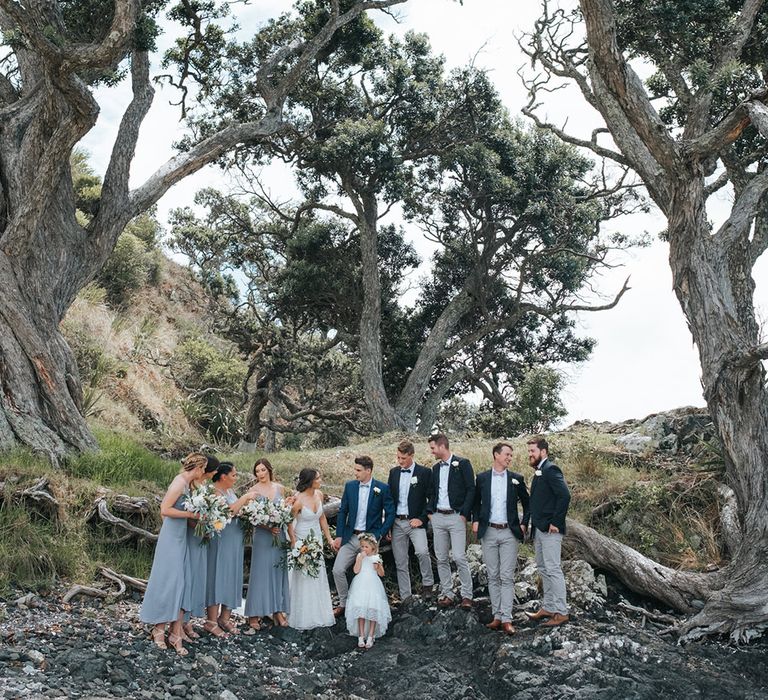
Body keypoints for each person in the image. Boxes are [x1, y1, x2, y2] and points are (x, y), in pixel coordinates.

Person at [140, 452, 209, 656]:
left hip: (182, 537)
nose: (204, 472)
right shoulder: (179, 483)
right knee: (169, 581)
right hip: (171, 538)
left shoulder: (189, 486)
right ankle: (158, 628)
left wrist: (201, 520)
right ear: (196, 468)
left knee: (180, 582)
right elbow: (165, 510)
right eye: (203, 469)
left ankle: (172, 629)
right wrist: (190, 514)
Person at [472, 442, 530, 635]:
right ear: (496, 455)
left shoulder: (516, 479)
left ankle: (507, 619)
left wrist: (524, 523)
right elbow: (475, 501)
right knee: (492, 575)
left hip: (508, 532)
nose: (509, 458)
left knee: (506, 576)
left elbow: (528, 504)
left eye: (511, 456)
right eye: (507, 454)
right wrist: (475, 520)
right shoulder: (482, 478)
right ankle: (496, 616)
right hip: (488, 531)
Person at [332, 456, 395, 617]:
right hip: (350, 536)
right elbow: (343, 511)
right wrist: (339, 535)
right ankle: (344, 603)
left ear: (368, 471)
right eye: (355, 470)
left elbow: (390, 513)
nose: (355, 473)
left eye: (358, 470)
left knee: (368, 574)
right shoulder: (350, 486)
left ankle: (369, 606)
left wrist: (379, 534)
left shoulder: (382, 488)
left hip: (370, 539)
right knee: (337, 570)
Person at [525, 437, 571, 627]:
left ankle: (561, 612)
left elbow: (565, 495)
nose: (530, 455)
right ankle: (549, 607)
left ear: (543, 452)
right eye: (529, 451)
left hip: (551, 530)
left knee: (553, 569)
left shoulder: (551, 469)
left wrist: (556, 522)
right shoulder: (539, 471)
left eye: (532, 451)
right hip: (539, 529)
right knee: (543, 569)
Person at [427, 433, 475, 609]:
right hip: (438, 517)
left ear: (441, 446)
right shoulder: (435, 468)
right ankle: (447, 593)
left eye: (433, 448)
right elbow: (432, 492)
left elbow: (471, 489)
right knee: (441, 557)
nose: (432, 452)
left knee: (460, 557)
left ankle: (467, 595)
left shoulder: (462, 464)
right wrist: (430, 513)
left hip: (456, 516)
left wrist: (464, 514)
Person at [243, 458, 290, 631]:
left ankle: (277, 610)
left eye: (263, 470)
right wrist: (267, 527)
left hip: (279, 535)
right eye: (257, 471)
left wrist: (283, 515)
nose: (260, 474)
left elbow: (284, 510)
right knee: (260, 572)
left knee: (278, 572)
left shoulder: (280, 488)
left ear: (269, 470)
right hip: (263, 535)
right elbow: (251, 516)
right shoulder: (253, 491)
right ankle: (254, 614)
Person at [287, 468, 336, 630]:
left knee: (317, 575)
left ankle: (319, 612)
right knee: (303, 577)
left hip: (316, 541)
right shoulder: (298, 500)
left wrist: (329, 539)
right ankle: (302, 616)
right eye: (318, 478)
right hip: (302, 541)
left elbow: (321, 517)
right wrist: (295, 542)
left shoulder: (319, 495)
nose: (320, 480)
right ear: (309, 481)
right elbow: (289, 522)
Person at [205, 462, 250, 636]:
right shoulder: (214, 492)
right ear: (223, 476)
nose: (235, 478)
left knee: (232, 575)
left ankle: (225, 618)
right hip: (221, 541)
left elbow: (236, 510)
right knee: (219, 575)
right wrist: (245, 498)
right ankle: (211, 620)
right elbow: (227, 512)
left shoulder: (230, 491)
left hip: (234, 540)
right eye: (234, 475)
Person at [387, 439, 434, 601]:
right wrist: (388, 525)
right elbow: (389, 501)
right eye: (398, 458)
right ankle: (406, 596)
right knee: (400, 561)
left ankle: (428, 585)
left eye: (403, 458)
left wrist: (421, 519)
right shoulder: (393, 473)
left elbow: (431, 498)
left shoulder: (425, 473)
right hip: (397, 523)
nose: (400, 461)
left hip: (415, 522)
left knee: (422, 551)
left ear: (412, 456)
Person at [181, 454, 220, 640]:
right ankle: (182, 621)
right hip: (191, 536)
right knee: (189, 576)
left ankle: (187, 621)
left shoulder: (203, 487)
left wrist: (210, 524)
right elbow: (188, 513)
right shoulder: (191, 485)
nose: (211, 473)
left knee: (197, 577)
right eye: (213, 470)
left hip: (200, 536)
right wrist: (198, 525)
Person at [345, 533, 391, 649]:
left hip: (373, 584)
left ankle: (371, 635)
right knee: (361, 609)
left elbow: (381, 574)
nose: (364, 549)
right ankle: (361, 636)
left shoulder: (376, 558)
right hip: (360, 584)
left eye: (366, 547)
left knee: (372, 609)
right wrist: (360, 559)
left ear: (373, 548)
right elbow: (356, 571)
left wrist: (379, 566)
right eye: (362, 546)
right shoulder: (360, 556)